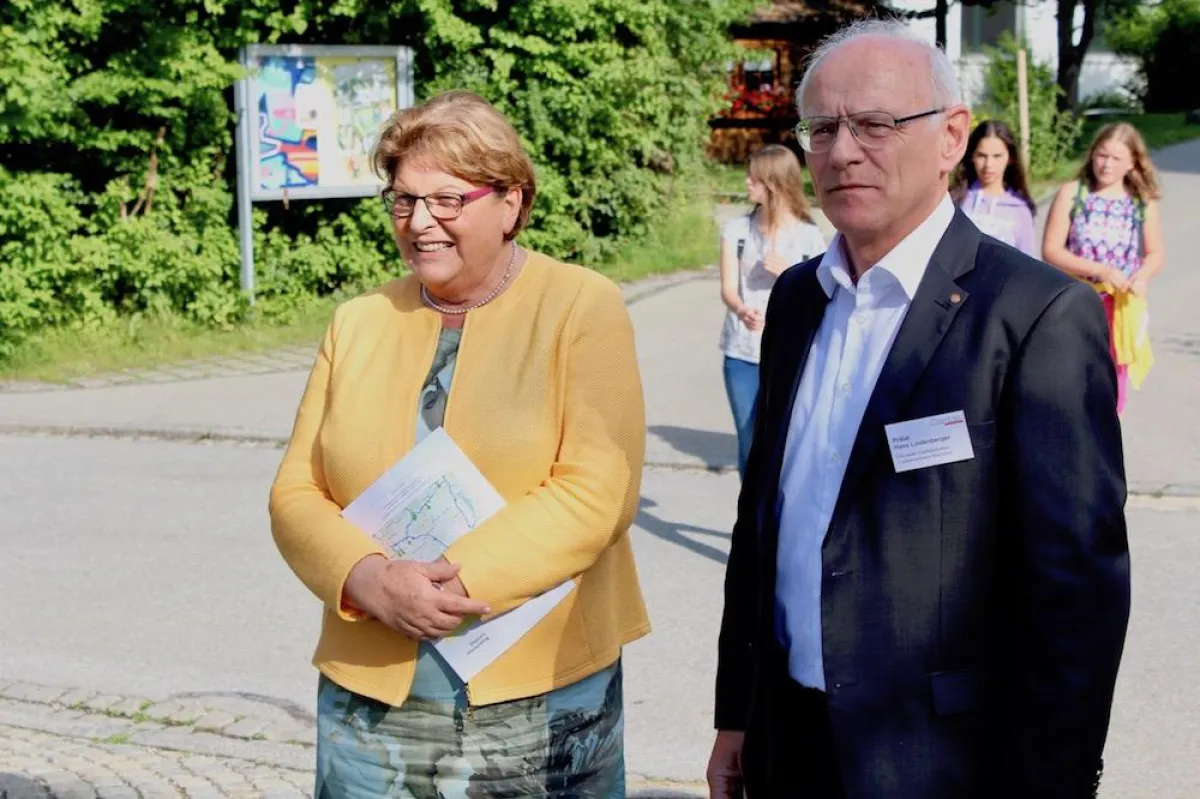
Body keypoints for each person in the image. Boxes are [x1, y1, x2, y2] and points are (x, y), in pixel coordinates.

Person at [707, 19, 1129, 799]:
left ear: (951, 138)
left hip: (943, 758)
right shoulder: (799, 299)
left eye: (874, 124)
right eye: (823, 128)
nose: (841, 151)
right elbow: (760, 523)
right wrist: (737, 712)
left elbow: (1077, 592)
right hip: (789, 738)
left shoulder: (1037, 316)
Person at [269, 90, 650, 797]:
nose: (420, 222)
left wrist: (454, 580)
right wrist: (368, 579)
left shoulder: (580, 306)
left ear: (511, 201)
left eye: (447, 200)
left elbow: (599, 488)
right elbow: (296, 491)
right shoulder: (357, 321)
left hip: (538, 695)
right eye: (404, 200)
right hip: (372, 703)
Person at [719, 144, 827, 478]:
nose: (747, 184)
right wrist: (741, 310)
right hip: (742, 352)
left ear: (776, 183)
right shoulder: (736, 231)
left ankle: (781, 522)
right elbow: (727, 289)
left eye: (755, 178)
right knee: (749, 440)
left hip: (790, 354)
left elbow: (823, 297)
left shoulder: (810, 238)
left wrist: (791, 272)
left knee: (787, 441)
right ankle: (751, 524)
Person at [1042, 122, 1165, 414]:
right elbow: (1051, 250)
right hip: (1076, 303)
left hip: (1120, 308)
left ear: (1132, 163)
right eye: (1101, 155)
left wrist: (1143, 275)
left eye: (1116, 159)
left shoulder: (1141, 203)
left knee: (1110, 384)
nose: (1106, 165)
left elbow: (1155, 252)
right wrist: (1101, 270)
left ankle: (1103, 445)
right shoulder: (1073, 193)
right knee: (1069, 378)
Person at [951, 119, 1038, 256]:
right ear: (971, 156)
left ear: (1010, 158)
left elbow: (1029, 268)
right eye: (981, 156)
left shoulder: (1020, 210)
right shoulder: (955, 200)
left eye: (997, 156)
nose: (988, 165)